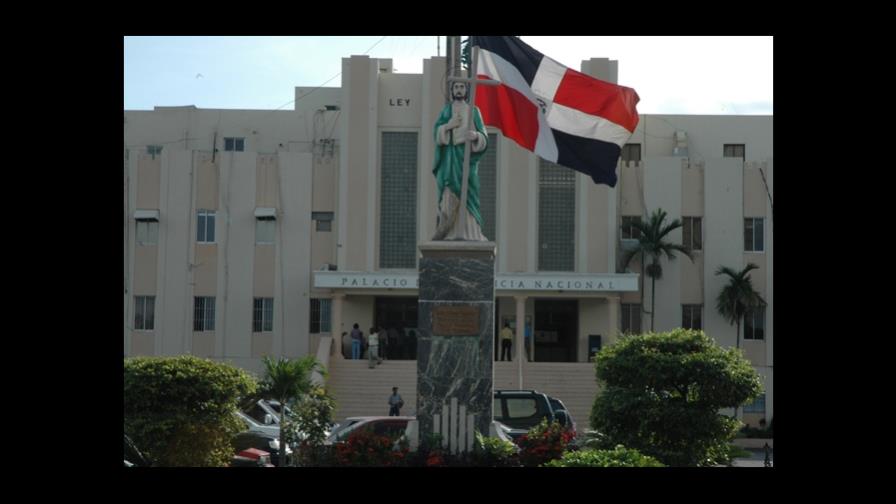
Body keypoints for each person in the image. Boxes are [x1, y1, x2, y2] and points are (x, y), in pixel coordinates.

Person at [432, 79, 489, 241]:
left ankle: (471, 232)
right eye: (456, 87)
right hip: (450, 159)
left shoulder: (474, 110)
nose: (459, 89)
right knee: (449, 192)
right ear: (452, 90)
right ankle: (450, 231)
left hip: (467, 160)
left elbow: (484, 136)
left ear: (466, 90)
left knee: (469, 191)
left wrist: (476, 136)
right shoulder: (446, 111)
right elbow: (436, 132)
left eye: (462, 87)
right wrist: (448, 126)